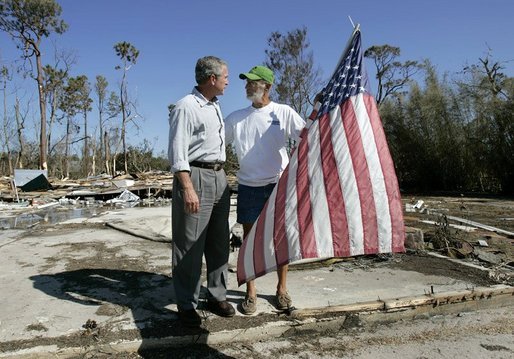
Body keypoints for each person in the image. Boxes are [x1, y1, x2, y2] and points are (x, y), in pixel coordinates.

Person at [225, 65, 306, 315]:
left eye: (253, 82)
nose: (247, 86)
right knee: (250, 241)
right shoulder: (236, 118)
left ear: (267, 87)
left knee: (280, 240)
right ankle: (251, 293)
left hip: (276, 185)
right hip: (248, 185)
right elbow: (215, 143)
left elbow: (307, 138)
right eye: (247, 82)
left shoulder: (283, 113)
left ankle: (281, 290)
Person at [168, 56, 235, 327]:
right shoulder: (187, 106)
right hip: (195, 176)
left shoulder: (214, 106)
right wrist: (188, 188)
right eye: (225, 77)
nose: (228, 81)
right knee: (189, 244)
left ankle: (216, 295)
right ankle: (186, 304)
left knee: (220, 242)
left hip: (219, 176)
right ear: (212, 79)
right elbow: (177, 151)